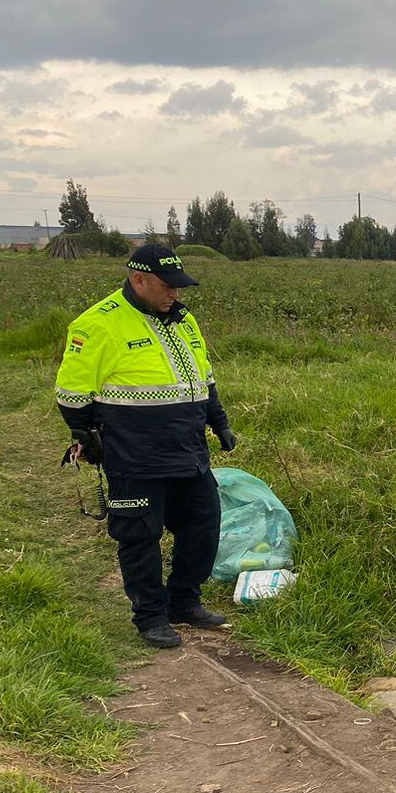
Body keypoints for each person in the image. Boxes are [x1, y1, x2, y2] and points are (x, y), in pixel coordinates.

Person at [53, 243, 237, 647]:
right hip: (134, 454)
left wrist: (219, 424)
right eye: (167, 286)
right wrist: (87, 437)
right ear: (138, 280)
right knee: (139, 537)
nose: (175, 293)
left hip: (188, 451)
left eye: (179, 286)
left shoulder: (183, 320)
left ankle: (184, 602)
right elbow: (71, 393)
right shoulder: (98, 325)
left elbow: (203, 380)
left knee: (203, 527)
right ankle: (151, 616)